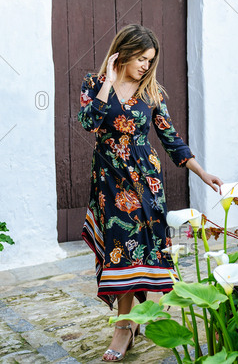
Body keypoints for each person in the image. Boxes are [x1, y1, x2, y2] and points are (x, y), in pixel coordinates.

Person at [77, 24, 223, 362]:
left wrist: (201, 172)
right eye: (141, 58)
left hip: (147, 184)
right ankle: (125, 325)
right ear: (123, 53)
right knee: (119, 252)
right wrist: (109, 83)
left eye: (150, 60)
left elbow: (171, 138)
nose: (145, 65)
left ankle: (127, 324)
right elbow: (89, 123)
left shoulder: (151, 93)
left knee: (141, 251)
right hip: (111, 184)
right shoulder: (95, 84)